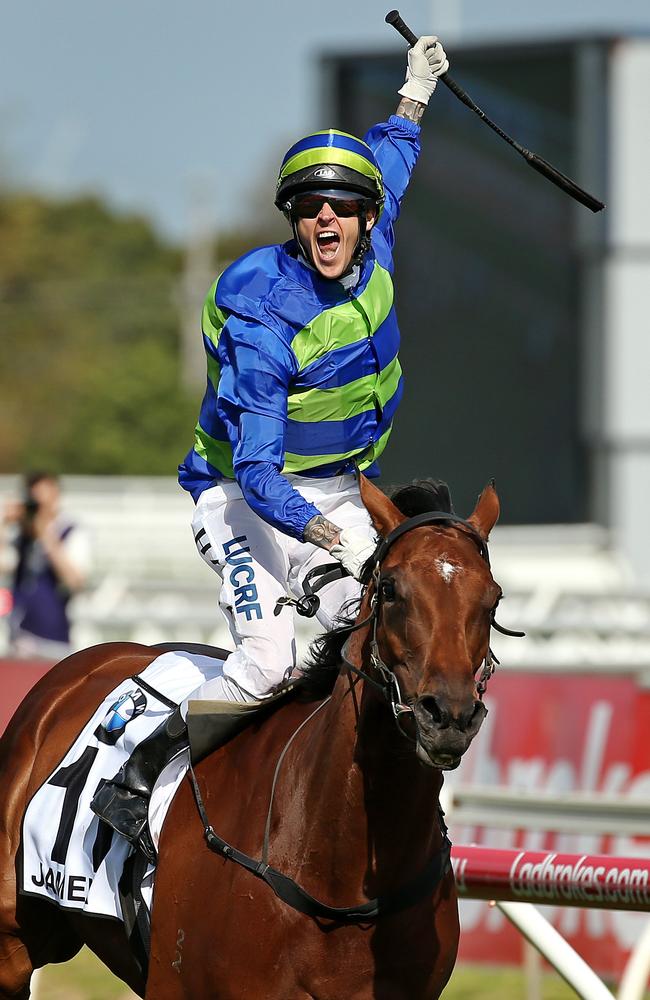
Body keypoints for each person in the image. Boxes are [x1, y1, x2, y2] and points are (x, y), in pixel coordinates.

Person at [92, 35, 450, 856]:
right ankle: (134, 782)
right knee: (270, 663)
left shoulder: (375, 232)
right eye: (311, 209)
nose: (328, 218)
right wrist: (319, 536)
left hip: (332, 485)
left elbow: (390, 160)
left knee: (380, 628)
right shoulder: (265, 322)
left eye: (343, 208)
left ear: (365, 220)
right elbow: (255, 468)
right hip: (242, 497)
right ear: (295, 219)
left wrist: (415, 90)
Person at [0, 472, 91, 661]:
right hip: (19, 634)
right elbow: (4, 565)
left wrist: (46, 535)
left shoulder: (71, 530)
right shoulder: (22, 535)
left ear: (56, 495)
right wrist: (4, 526)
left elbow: (75, 581)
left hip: (53, 636)